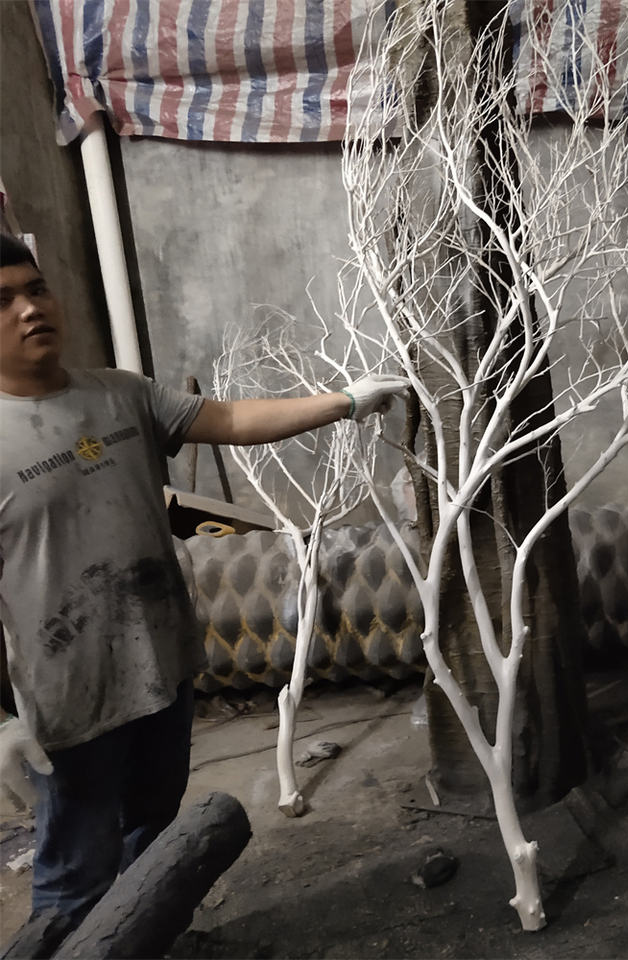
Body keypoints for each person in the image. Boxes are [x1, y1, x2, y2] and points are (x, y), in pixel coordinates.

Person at [0, 232, 409, 938]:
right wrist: (5, 721)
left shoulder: (120, 394)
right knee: (76, 873)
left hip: (162, 666)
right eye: (3, 301)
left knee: (154, 836)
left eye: (36, 290)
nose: (30, 309)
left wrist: (345, 401)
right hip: (69, 697)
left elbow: (231, 420)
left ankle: (148, 939)